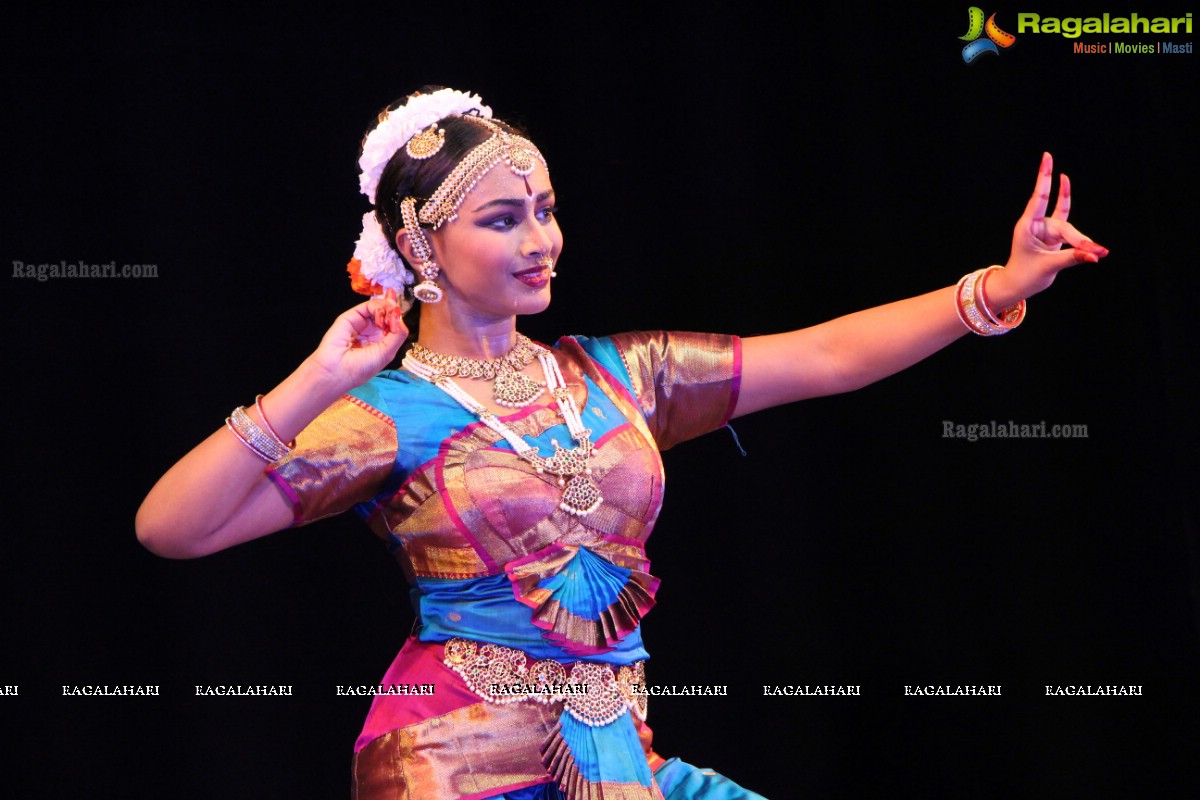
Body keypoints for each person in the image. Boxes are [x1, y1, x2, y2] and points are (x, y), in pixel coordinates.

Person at [136, 86, 1108, 800]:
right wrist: (318, 379)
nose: (541, 240)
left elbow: (821, 357)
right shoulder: (388, 412)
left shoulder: (612, 377)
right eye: (504, 219)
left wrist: (994, 288)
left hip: (614, 751)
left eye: (547, 212)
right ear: (423, 248)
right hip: (456, 756)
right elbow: (172, 527)